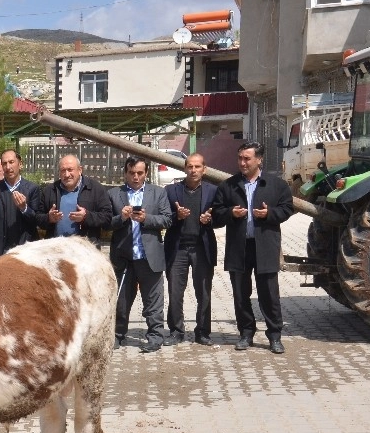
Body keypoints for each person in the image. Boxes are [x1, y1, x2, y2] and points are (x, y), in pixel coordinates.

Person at [212, 141, 294, 354]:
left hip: (265, 247)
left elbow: (287, 209)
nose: (242, 163)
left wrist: (269, 214)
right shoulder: (228, 185)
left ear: (259, 160)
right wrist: (231, 212)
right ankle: (246, 333)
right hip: (239, 248)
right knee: (241, 294)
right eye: (240, 158)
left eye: (247, 158)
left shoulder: (276, 185)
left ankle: (274, 336)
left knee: (269, 294)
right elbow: (216, 215)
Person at [108, 157, 172, 353]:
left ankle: (155, 336)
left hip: (149, 256)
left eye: (140, 173)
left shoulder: (158, 193)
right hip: (124, 257)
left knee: (154, 300)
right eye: (131, 173)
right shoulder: (113, 194)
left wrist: (147, 219)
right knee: (121, 301)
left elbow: (168, 219)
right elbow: (106, 222)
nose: (135, 177)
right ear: (125, 173)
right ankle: (118, 335)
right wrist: (122, 217)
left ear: (146, 173)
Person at [163, 154, 218, 347]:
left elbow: (220, 217)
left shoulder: (213, 191)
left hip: (202, 249)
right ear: (184, 168)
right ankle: (176, 331)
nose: (193, 170)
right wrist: (176, 216)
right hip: (177, 248)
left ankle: (202, 332)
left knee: (203, 293)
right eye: (190, 166)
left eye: (197, 167)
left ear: (205, 169)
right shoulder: (171, 191)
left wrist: (210, 220)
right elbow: (164, 217)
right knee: (175, 292)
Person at [36, 154, 112, 242]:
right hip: (56, 249)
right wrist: (48, 218)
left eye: (70, 170)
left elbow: (107, 218)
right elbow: (38, 218)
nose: (67, 174)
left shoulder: (96, 189)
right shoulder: (50, 190)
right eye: (63, 170)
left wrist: (86, 217)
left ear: (80, 170)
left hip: (84, 249)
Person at [0, 149, 41, 258]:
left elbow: (37, 220)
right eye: (4, 163)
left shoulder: (32, 189)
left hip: (25, 249)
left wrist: (24, 208)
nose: (8, 167)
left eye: (11, 162)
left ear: (20, 164)